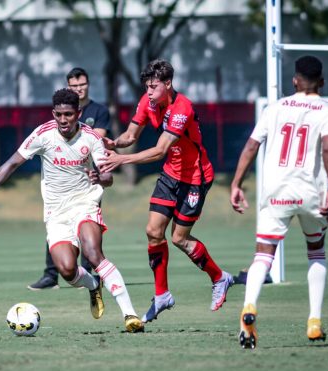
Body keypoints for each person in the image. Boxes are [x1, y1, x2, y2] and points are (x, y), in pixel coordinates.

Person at [0, 88, 144, 333]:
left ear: (77, 113)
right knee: (67, 269)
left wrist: (100, 178)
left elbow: (109, 176)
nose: (63, 120)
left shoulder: (91, 137)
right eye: (59, 114)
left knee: (93, 253)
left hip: (85, 203)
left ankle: (130, 315)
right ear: (53, 113)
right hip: (56, 213)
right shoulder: (43, 134)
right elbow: (12, 163)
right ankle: (94, 286)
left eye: (68, 114)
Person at [99, 59, 234, 323]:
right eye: (146, 87)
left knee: (180, 239)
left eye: (153, 86)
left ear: (168, 84)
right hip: (170, 176)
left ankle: (220, 278)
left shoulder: (182, 108)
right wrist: (114, 143)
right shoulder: (147, 102)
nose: (148, 92)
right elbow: (131, 135)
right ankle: (162, 295)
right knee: (152, 231)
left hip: (195, 178)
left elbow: (160, 149)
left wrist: (120, 159)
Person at [230, 55, 328, 349]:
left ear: (294, 81)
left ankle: (249, 307)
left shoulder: (274, 108)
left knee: (263, 255)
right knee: (316, 251)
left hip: (276, 192)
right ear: (322, 82)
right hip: (311, 193)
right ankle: (314, 321)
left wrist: (236, 183)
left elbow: (252, 145)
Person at [28, 67, 112, 291]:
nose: (79, 88)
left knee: (88, 235)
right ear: (68, 87)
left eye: (82, 84)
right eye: (74, 86)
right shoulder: (59, 115)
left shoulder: (99, 111)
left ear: (88, 84)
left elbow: (97, 139)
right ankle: (51, 275)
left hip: (88, 180)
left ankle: (91, 275)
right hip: (60, 180)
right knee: (57, 228)